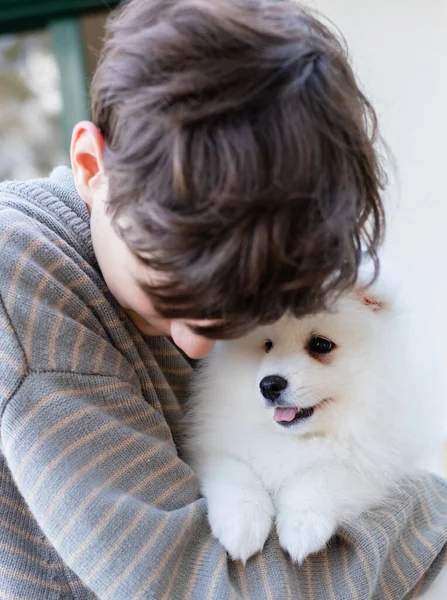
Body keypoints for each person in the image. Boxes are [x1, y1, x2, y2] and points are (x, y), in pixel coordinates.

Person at [0, 0, 445, 598]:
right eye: (171, 298)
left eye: (242, 311)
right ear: (91, 167)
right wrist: (429, 510)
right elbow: (202, 585)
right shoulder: (24, 289)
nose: (200, 345)